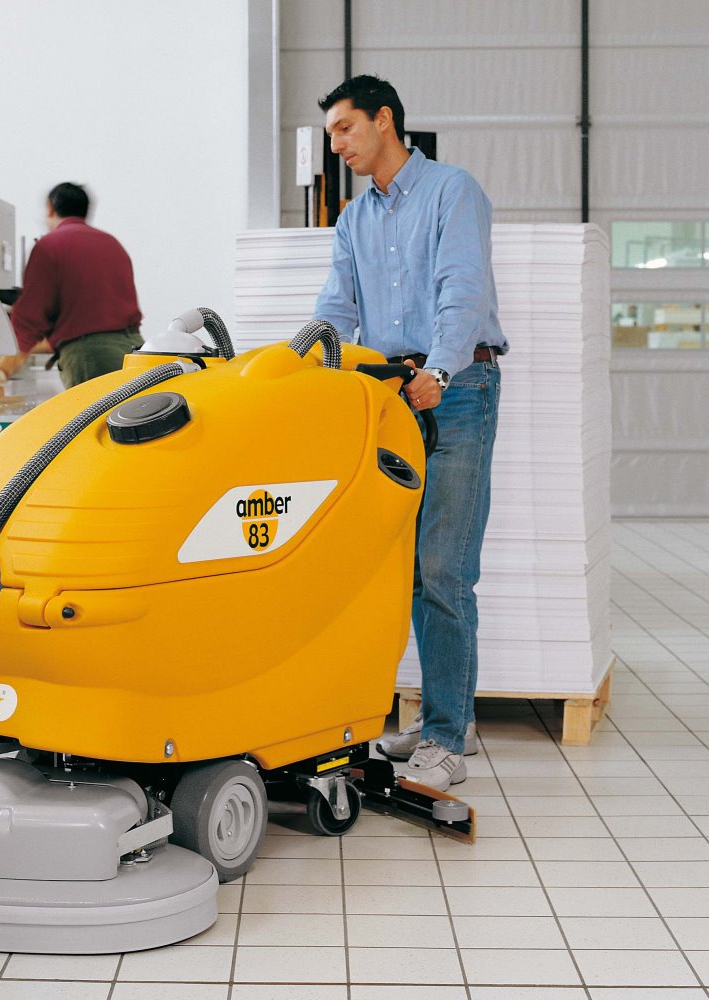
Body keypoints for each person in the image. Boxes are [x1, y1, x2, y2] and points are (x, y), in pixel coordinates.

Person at [313, 74, 509, 791]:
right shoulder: (354, 220)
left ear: (384, 120)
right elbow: (336, 308)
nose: (338, 145)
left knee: (444, 570)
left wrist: (445, 373)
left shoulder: (452, 191)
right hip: (394, 398)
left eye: (345, 129)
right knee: (401, 570)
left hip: (458, 393)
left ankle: (448, 737)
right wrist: (306, 363)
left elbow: (463, 290)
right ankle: (432, 723)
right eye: (332, 135)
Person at [0, 182, 143, 388]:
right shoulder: (111, 243)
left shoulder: (49, 245)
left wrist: (2, 369)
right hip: (133, 350)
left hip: (91, 358)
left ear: (50, 207)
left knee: (93, 420)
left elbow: (30, 317)